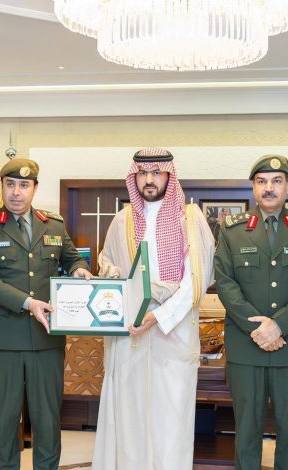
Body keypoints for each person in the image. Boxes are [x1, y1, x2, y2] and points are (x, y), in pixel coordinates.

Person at [92, 147, 215, 470]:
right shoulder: (122, 221)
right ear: (134, 177)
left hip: (173, 331)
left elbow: (197, 281)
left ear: (169, 175)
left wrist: (158, 316)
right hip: (130, 332)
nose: (149, 179)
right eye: (143, 173)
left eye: (156, 172)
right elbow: (108, 266)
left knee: (170, 417)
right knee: (129, 414)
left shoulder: (191, 220)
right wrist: (115, 281)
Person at [0, 158, 92, 470]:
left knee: (47, 418)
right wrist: (27, 302)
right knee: (5, 419)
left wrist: (79, 270)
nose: (16, 192)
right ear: (2, 187)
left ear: (34, 188)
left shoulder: (54, 225)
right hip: (2, 340)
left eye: (24, 185)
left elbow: (72, 258)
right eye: (10, 184)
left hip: (46, 338)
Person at [214, 154, 288, 470]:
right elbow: (226, 284)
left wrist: (278, 326)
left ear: (287, 187)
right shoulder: (232, 230)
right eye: (262, 181)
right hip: (246, 347)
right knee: (246, 430)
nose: (269, 188)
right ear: (253, 188)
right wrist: (259, 329)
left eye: (276, 181)